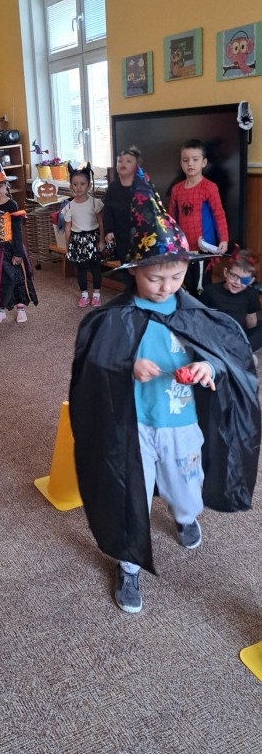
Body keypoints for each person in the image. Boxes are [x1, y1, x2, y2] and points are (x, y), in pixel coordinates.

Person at [69, 166, 260, 615]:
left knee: (186, 490)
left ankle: (184, 515)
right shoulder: (114, 318)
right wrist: (126, 365)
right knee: (129, 494)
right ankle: (129, 565)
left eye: (175, 277)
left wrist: (207, 367)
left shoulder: (193, 312)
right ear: (135, 272)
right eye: (155, 278)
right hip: (132, 426)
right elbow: (91, 367)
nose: (166, 287)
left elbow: (225, 355)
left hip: (180, 423)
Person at [0, 143, 38, 324]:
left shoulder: (12, 205)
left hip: (11, 248)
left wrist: (18, 253)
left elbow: (17, 231)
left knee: (16, 277)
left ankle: (20, 308)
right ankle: (1, 309)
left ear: (6, 186)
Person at [168, 139, 228, 296]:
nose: (190, 164)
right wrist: (171, 242)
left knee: (202, 286)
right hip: (184, 248)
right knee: (185, 284)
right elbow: (171, 219)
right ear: (181, 163)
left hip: (204, 248)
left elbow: (219, 214)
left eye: (195, 159)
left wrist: (224, 239)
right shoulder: (176, 190)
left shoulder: (210, 187)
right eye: (186, 160)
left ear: (204, 162)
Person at [200, 248, 262, 354]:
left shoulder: (251, 294)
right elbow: (201, 318)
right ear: (226, 273)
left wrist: (250, 338)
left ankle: (240, 352)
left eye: (244, 280)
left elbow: (251, 320)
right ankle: (230, 354)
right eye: (234, 276)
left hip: (238, 337)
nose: (237, 282)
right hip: (216, 336)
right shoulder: (211, 290)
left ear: (251, 281)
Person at [63, 163, 105, 307]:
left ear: (89, 185)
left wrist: (102, 240)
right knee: (80, 268)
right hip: (76, 240)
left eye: (82, 184)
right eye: (75, 184)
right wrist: (68, 246)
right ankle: (84, 295)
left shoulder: (95, 203)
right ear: (71, 187)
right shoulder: (69, 206)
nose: (79, 187)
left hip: (92, 238)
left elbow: (101, 223)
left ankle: (97, 295)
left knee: (95, 268)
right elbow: (68, 227)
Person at [103, 145, 142, 266]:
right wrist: (108, 230)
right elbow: (107, 210)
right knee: (125, 265)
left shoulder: (142, 187)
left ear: (136, 166)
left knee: (140, 267)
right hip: (121, 236)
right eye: (120, 161)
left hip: (140, 236)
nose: (123, 163)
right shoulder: (113, 187)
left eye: (128, 161)